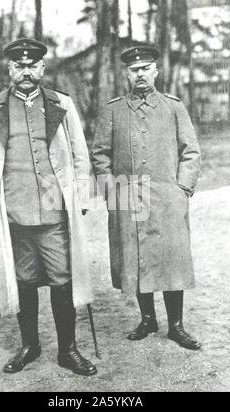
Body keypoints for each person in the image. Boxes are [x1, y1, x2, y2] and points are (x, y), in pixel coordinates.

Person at [0, 38, 97, 375]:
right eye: (18, 66)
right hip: (13, 215)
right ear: (9, 69)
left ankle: (69, 350)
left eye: (32, 66)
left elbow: (80, 157)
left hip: (53, 214)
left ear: (42, 68)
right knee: (24, 282)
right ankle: (30, 346)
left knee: (62, 281)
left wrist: (78, 196)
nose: (25, 71)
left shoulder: (60, 104)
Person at [91, 45, 202, 350]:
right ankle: (147, 319)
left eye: (145, 68)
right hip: (128, 199)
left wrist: (183, 189)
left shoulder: (174, 107)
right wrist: (112, 191)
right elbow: (99, 154)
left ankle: (176, 326)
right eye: (133, 70)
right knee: (136, 257)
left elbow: (190, 151)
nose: (140, 74)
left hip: (167, 198)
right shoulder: (113, 110)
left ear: (156, 71)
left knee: (171, 259)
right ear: (126, 74)